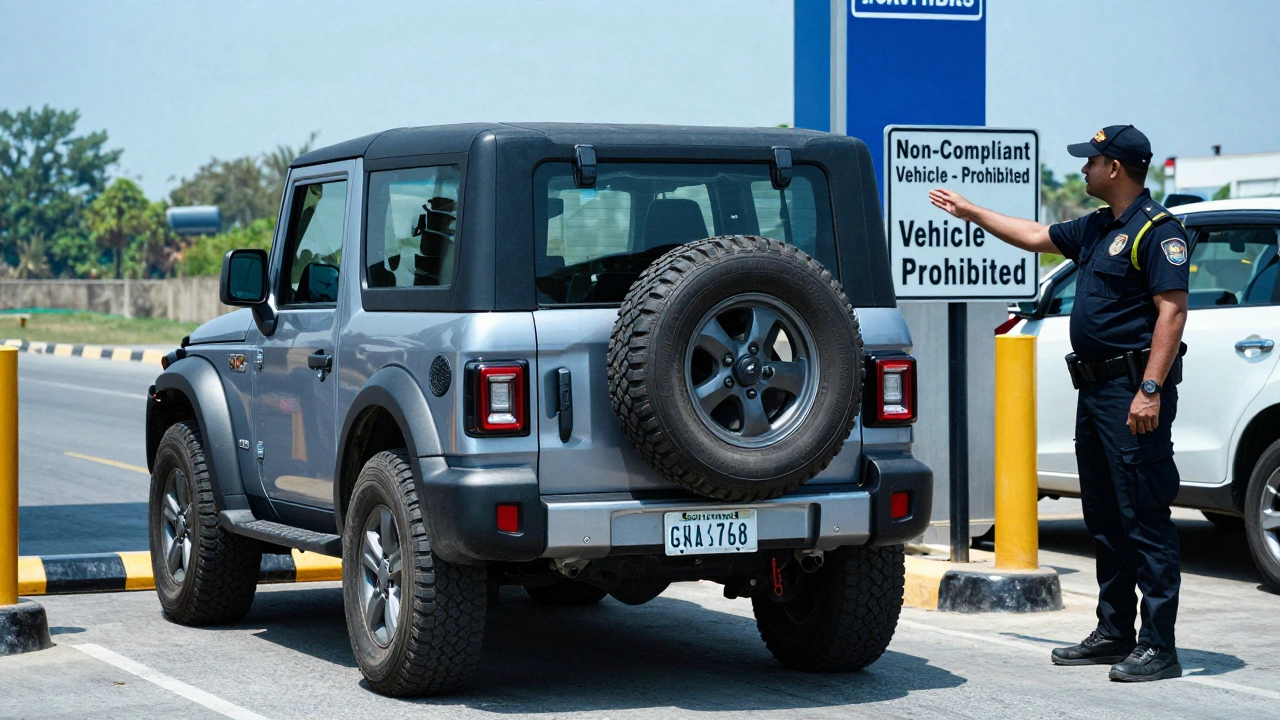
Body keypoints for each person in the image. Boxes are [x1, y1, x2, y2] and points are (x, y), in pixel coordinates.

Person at [929, 125, 1190, 683]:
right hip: (1094, 392)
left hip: (1130, 393)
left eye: (1090, 161)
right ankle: (1114, 630)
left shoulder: (1156, 231)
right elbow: (1032, 233)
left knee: (1143, 516)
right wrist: (973, 212)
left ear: (1115, 168)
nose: (1083, 170)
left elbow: (1172, 313)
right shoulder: (1097, 227)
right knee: (1104, 517)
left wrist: (1150, 389)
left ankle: (1158, 645)